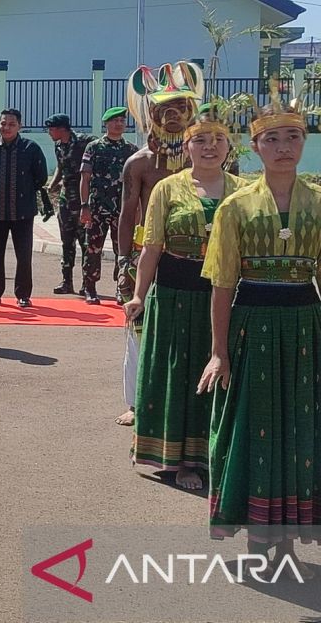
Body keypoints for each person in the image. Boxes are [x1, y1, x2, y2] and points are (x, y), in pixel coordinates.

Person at [199, 85, 320, 572]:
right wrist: (218, 350)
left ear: (305, 141)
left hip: (307, 327)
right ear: (255, 148)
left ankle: (291, 529)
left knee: (303, 425)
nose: (285, 146)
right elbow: (224, 284)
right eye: (273, 139)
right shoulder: (236, 206)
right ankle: (258, 527)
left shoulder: (319, 203)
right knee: (254, 423)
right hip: (252, 326)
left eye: (294, 136)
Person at [124, 107, 244, 490]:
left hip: (224, 295)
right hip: (175, 294)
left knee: (219, 372)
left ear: (230, 146)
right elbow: (152, 247)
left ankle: (215, 453)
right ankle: (180, 460)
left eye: (218, 140)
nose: (209, 147)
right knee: (178, 374)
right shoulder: (167, 188)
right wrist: (139, 295)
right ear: (186, 146)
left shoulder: (243, 192)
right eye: (200, 140)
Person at [114, 62, 199, 426]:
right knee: (138, 325)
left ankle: (192, 400)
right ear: (151, 114)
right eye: (166, 108)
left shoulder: (210, 158)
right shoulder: (139, 164)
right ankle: (135, 402)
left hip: (197, 255)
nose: (174, 115)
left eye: (181, 107)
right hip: (144, 252)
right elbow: (126, 212)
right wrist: (122, 259)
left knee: (195, 327)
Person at [0, 108, 48, 307]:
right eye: (3, 123)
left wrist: (23, 191)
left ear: (20, 126)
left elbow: (40, 177)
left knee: (24, 255)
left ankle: (23, 295)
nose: (6, 128)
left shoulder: (31, 149)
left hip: (23, 212)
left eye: (11, 124)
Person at [79, 107, 139, 304]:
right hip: (97, 207)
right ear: (106, 124)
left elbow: (137, 183)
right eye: (114, 121)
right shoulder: (94, 147)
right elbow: (85, 178)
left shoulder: (131, 150)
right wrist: (84, 206)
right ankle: (90, 288)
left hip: (122, 210)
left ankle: (121, 288)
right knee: (92, 249)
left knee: (122, 250)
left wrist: (137, 210)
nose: (119, 124)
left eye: (122, 121)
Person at [44, 113, 94, 295]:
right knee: (67, 242)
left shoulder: (85, 142)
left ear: (62, 129)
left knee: (86, 243)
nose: (49, 133)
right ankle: (67, 282)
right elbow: (60, 165)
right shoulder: (58, 145)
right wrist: (53, 183)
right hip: (66, 200)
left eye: (51, 129)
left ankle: (87, 284)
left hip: (83, 199)